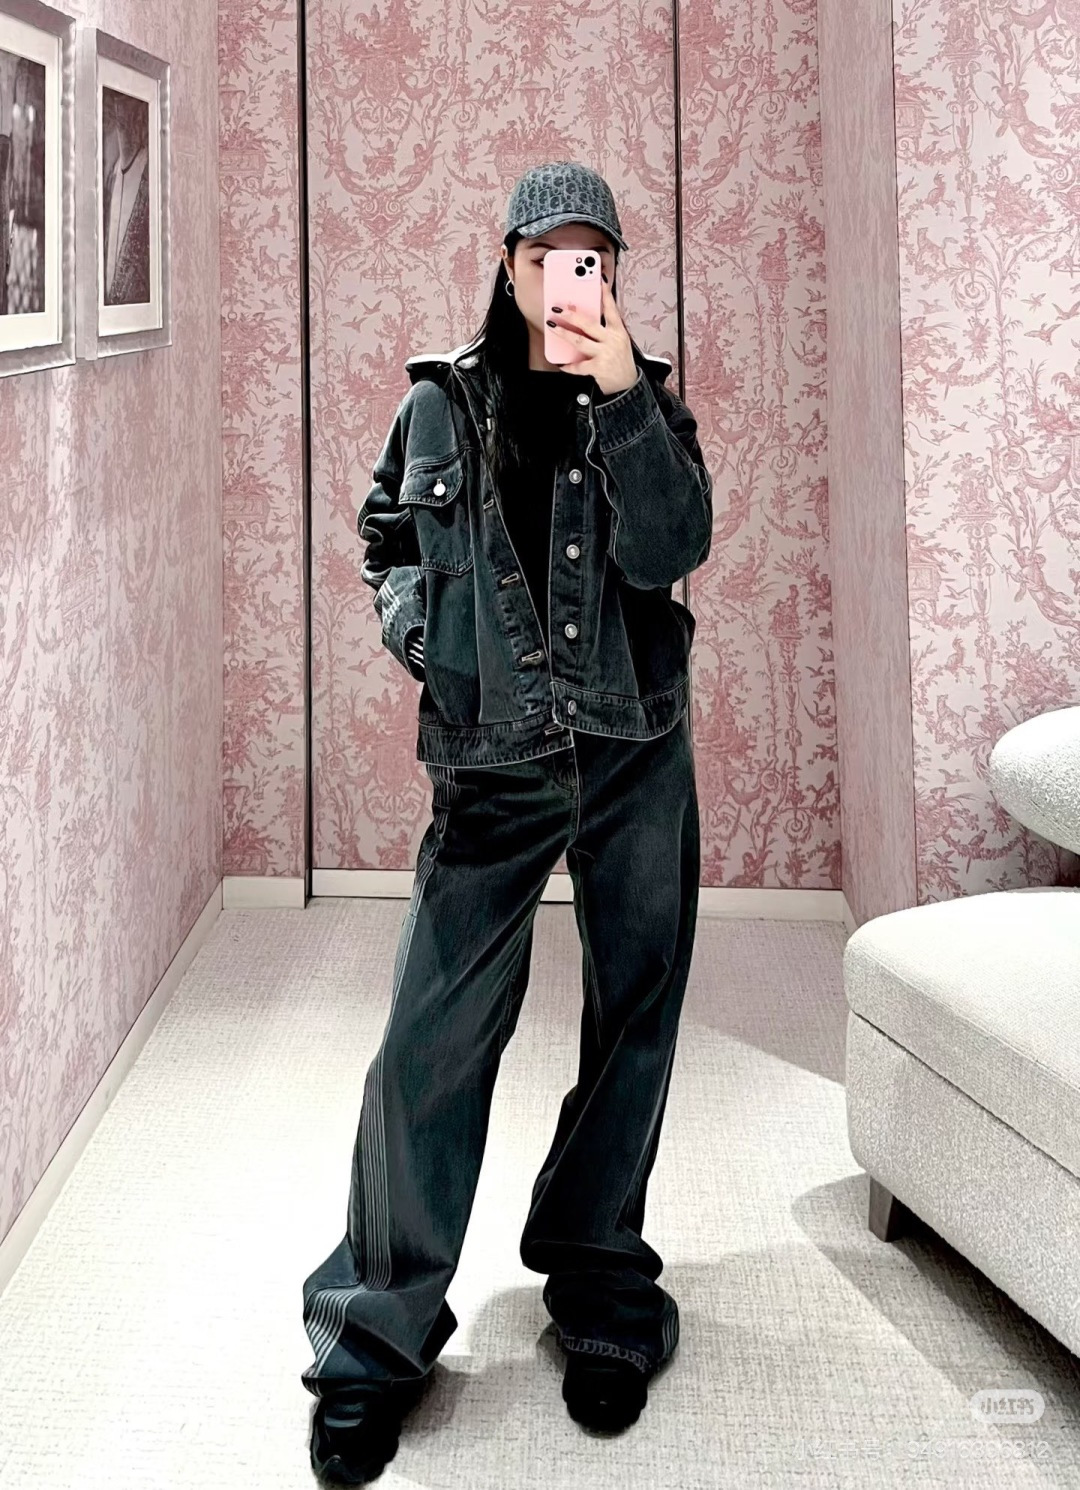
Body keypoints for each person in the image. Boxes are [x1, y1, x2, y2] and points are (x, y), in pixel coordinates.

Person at [302, 161, 714, 1486]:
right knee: (429, 1038)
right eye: (549, 256)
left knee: (635, 1013)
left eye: (594, 259)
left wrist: (622, 395)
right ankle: (373, 1335)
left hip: (636, 746)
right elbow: (386, 534)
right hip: (495, 761)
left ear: (612, 276)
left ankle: (599, 1280)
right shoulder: (441, 402)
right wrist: (424, 637)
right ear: (509, 263)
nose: (568, 280)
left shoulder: (647, 402)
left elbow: (673, 549)